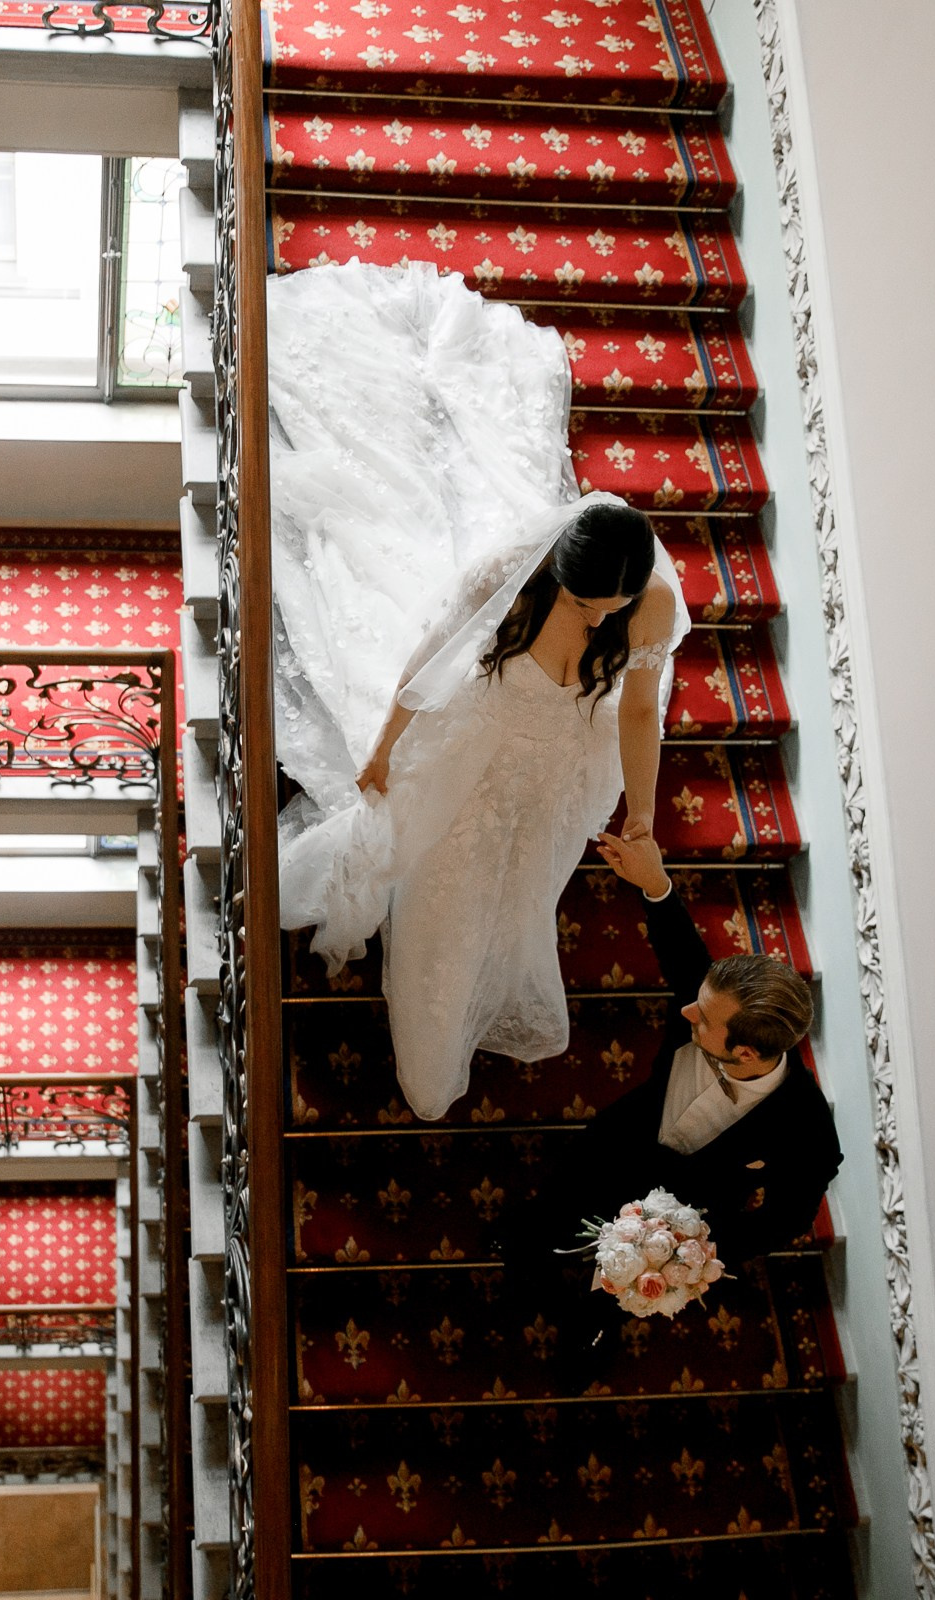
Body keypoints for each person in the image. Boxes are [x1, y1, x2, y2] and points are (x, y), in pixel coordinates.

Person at [268, 261, 692, 1120]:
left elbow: (640, 707)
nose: (603, 615)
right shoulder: (510, 573)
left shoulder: (649, 601)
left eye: (614, 603)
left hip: (566, 749)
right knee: (451, 877)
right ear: (555, 577)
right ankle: (429, 1037)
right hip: (479, 729)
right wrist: (385, 751)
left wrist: (640, 810)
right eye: (585, 603)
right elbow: (427, 663)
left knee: (526, 872)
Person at [500, 828, 841, 1348]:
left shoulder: (808, 1128)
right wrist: (653, 881)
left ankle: (589, 1329)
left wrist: (695, 1248)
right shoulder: (710, 1001)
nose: (686, 1012)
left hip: (679, 1216)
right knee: (551, 1211)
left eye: (701, 1018)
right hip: (617, 1142)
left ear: (746, 1052)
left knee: (609, 1300)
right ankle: (525, 1250)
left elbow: (786, 1218)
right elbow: (680, 947)